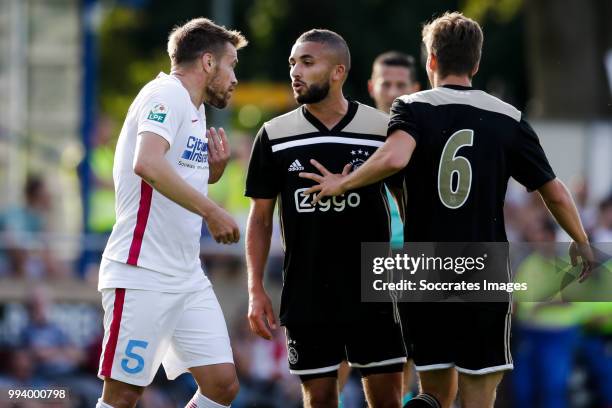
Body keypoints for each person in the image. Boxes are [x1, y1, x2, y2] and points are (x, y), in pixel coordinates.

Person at [299, 12, 593, 408]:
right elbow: (554, 191)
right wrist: (581, 241)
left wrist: (341, 182)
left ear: (431, 61)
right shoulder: (507, 117)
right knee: (479, 394)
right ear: (476, 63)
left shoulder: (412, 107)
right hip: (483, 267)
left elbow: (394, 157)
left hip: (424, 266)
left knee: (434, 391)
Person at [245, 29, 406, 408]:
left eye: (307, 62)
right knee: (319, 398)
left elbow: (409, 202)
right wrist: (255, 288)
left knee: (387, 398)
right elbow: (261, 219)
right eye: (292, 63)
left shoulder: (381, 129)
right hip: (308, 290)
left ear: (338, 72)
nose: (295, 72)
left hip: (375, 288)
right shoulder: (274, 135)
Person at [96, 18, 247, 408]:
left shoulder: (195, 112)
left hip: (185, 274)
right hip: (142, 271)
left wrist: (208, 175)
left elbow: (168, 177)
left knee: (222, 385)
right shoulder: (166, 94)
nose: (234, 78)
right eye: (231, 65)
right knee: (123, 395)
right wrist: (212, 210)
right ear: (208, 62)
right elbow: (147, 163)